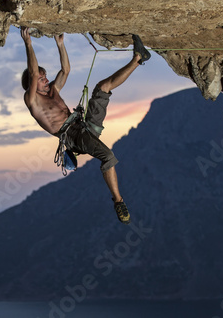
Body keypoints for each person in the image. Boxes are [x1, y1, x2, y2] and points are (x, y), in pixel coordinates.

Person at [20, 27, 150, 224]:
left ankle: (138, 58)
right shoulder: (33, 101)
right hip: (73, 136)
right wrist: (28, 44)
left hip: (85, 125)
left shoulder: (53, 90)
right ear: (32, 84)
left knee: (103, 87)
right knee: (108, 156)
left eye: (45, 76)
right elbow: (32, 72)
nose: (46, 79)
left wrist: (60, 45)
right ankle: (118, 201)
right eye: (41, 78)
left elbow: (66, 70)